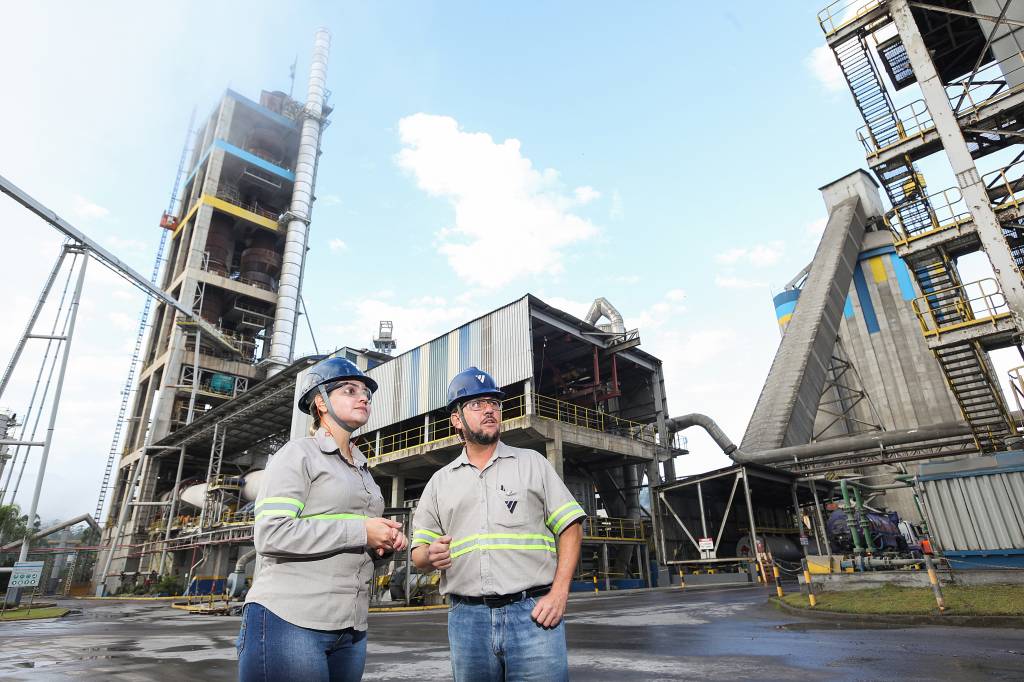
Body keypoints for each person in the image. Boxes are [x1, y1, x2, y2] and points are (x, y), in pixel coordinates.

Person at [237, 356, 407, 682]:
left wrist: (383, 547)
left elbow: (356, 544)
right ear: (321, 402)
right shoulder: (298, 454)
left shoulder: (364, 472)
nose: (363, 398)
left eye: (367, 396)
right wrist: (362, 532)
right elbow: (271, 535)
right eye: (349, 390)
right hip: (291, 621)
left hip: (350, 628)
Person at [412, 367, 585, 681]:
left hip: (533, 616)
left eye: (493, 402)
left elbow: (571, 526)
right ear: (456, 420)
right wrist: (429, 555)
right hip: (467, 621)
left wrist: (559, 594)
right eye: (476, 404)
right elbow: (418, 555)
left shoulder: (532, 463)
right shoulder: (439, 482)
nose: (489, 409)